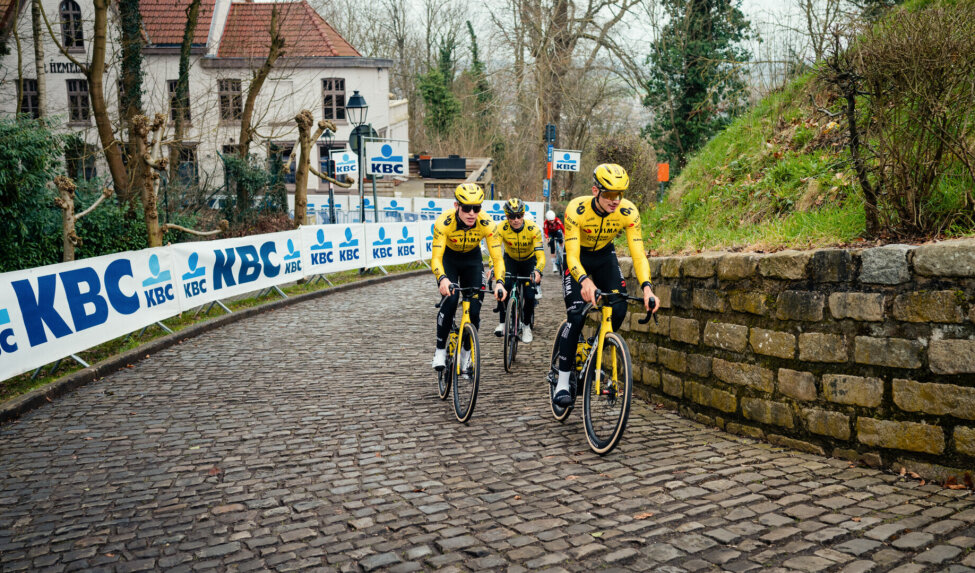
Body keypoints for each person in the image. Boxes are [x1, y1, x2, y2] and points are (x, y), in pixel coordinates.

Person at [552, 163, 659, 408]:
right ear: (595, 191)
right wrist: (584, 280)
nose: (615, 200)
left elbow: (638, 254)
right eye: (609, 194)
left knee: (620, 308)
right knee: (576, 316)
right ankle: (562, 382)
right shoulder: (576, 209)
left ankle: (595, 351)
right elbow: (571, 256)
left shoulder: (628, 212)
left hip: (604, 257)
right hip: (579, 258)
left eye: (619, 194)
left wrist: (647, 287)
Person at [431, 183, 507, 371]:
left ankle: (466, 353)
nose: (472, 213)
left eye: (477, 208)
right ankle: (440, 350)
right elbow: (436, 258)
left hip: (472, 260)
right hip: (449, 259)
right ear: (457, 206)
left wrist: (500, 283)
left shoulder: (487, 223)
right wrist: (442, 279)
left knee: (474, 309)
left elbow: (497, 257)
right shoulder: (444, 222)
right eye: (466, 208)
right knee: (451, 297)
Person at [493, 198, 545, 343]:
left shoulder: (533, 228)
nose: (516, 220)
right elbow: (495, 252)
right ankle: (503, 322)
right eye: (511, 217)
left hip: (528, 262)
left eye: (519, 216)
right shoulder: (500, 228)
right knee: (504, 287)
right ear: (506, 216)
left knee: (529, 296)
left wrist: (538, 271)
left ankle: (526, 326)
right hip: (510, 260)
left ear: (523, 214)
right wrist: (493, 267)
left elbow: (541, 256)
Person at [543, 210, 565, 274]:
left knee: (560, 236)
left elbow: (562, 228)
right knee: (552, 245)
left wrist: (565, 234)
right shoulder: (545, 223)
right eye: (550, 220)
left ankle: (561, 251)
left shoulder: (557, 220)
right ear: (547, 219)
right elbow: (546, 232)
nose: (552, 222)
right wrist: (547, 238)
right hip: (550, 234)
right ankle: (554, 265)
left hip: (557, 231)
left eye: (553, 220)